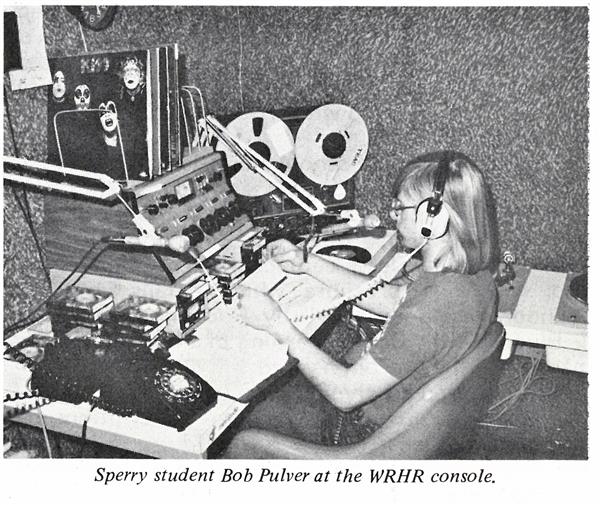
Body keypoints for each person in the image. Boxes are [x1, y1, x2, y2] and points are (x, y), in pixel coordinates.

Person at [233, 150, 500, 446]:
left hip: (356, 426)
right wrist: (307, 263)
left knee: (244, 411)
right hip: (387, 405)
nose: (392, 215)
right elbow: (395, 298)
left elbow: (345, 395)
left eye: (401, 207)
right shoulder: (470, 276)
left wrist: (274, 322)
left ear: (433, 218)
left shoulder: (425, 315)